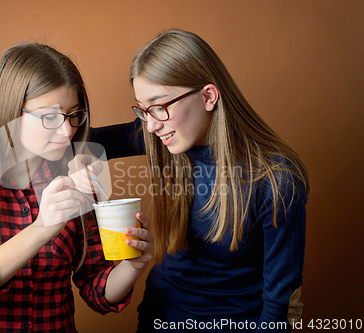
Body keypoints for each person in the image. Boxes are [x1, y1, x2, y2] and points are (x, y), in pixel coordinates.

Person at [73, 30, 308, 332]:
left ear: (208, 96)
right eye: (144, 111)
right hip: (160, 315)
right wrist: (80, 156)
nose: (152, 125)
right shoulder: (164, 138)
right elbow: (76, 141)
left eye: (159, 106)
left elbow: (280, 305)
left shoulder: (277, 179)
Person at [0, 42, 153, 332]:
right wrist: (42, 227)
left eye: (74, 114)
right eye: (49, 117)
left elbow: (96, 290)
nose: (66, 131)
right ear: (11, 112)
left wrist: (131, 267)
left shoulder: (76, 177)